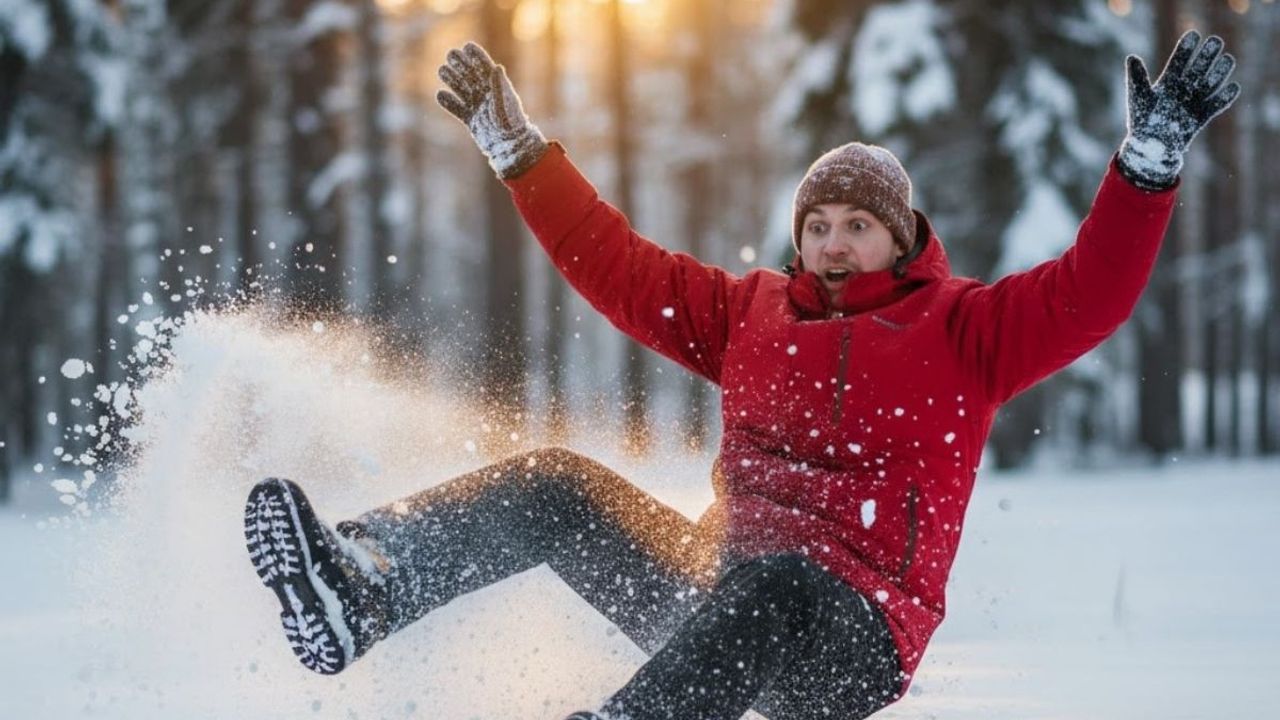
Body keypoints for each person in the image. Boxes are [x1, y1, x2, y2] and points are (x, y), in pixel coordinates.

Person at [243, 30, 1240, 720]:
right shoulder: (747, 314)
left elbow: (1087, 295)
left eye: (856, 224)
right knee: (555, 485)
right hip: (716, 598)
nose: (833, 241)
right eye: (818, 225)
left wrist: (1144, 167)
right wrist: (520, 153)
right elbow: (619, 266)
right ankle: (360, 587)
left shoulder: (964, 330)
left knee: (778, 587)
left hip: (851, 639)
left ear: (901, 237)